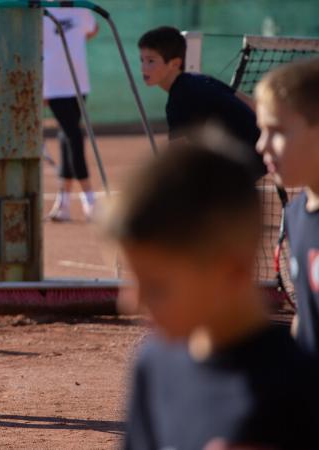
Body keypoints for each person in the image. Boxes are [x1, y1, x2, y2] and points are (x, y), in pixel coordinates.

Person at [103, 137, 319, 449]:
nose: (130, 303)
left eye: (156, 285)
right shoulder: (153, 365)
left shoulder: (300, 388)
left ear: (232, 272)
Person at [138, 26, 267, 178]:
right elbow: (250, 103)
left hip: (243, 161)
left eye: (151, 61)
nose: (143, 68)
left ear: (174, 63)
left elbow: (177, 156)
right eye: (142, 60)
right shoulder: (199, 79)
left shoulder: (179, 99)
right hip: (260, 152)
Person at [256, 57, 319, 356]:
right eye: (261, 130)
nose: (261, 145)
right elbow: (306, 320)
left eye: (277, 131)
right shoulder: (296, 214)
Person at [43, 7, 100, 222]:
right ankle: (89, 198)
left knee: (67, 137)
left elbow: (92, 29)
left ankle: (64, 203)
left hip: (79, 84)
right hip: (53, 87)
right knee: (74, 136)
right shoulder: (41, 11)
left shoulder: (81, 9)